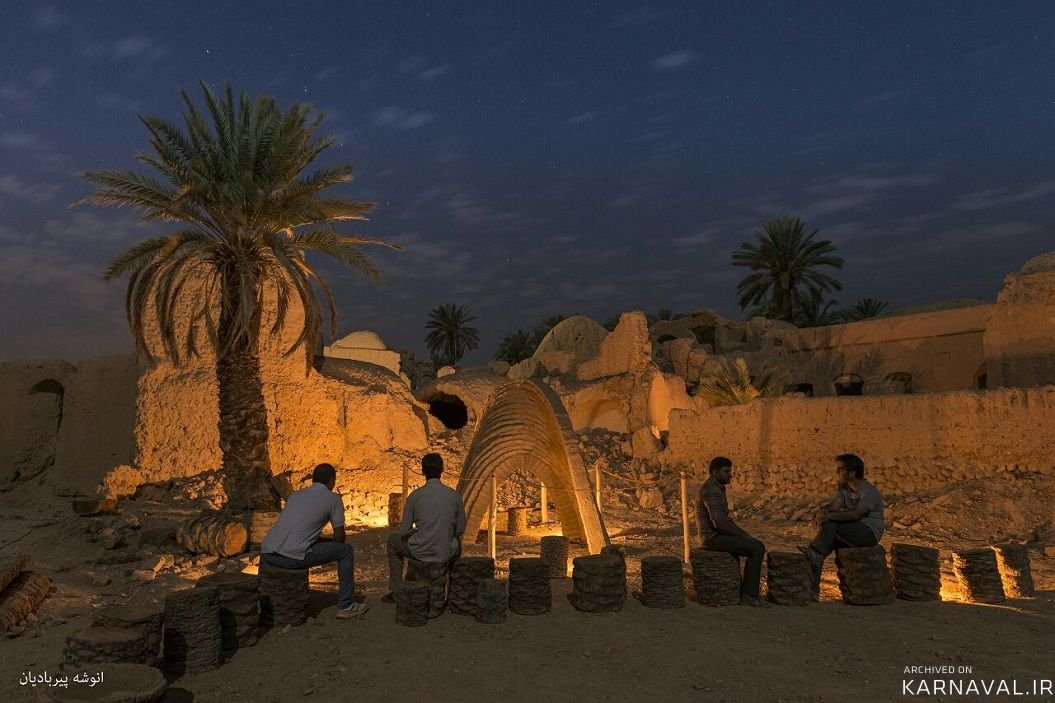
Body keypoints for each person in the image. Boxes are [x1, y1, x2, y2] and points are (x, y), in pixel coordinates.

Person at [260, 463, 367, 619]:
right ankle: (346, 605)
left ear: (313, 479)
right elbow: (339, 539)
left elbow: (298, 530)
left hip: (267, 553)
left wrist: (321, 541)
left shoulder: (296, 496)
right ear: (331, 480)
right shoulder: (333, 499)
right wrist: (329, 546)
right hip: (291, 557)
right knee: (346, 551)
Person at [382, 453, 467, 603]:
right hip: (446, 551)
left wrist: (420, 533)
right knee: (457, 543)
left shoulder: (415, 496)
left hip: (420, 551)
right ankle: (453, 590)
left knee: (393, 541)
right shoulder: (454, 496)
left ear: (422, 471)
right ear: (442, 470)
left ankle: (396, 590)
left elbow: (404, 531)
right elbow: (460, 528)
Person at [800, 453, 885, 586]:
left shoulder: (868, 491)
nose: (837, 472)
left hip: (869, 533)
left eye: (840, 469)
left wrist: (828, 516)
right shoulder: (844, 488)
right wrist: (822, 511)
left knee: (831, 522)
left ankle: (815, 552)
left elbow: (856, 514)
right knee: (823, 545)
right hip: (853, 529)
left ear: (851, 473)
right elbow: (834, 506)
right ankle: (812, 586)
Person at [697, 456, 768, 607]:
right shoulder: (711, 490)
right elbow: (719, 522)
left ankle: (748, 593)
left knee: (753, 544)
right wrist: (744, 536)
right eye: (726, 471)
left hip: (718, 535)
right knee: (757, 548)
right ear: (715, 472)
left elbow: (724, 521)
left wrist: (743, 535)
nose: (730, 475)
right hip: (712, 538)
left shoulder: (717, 488)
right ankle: (749, 596)